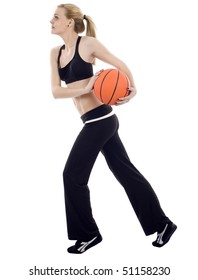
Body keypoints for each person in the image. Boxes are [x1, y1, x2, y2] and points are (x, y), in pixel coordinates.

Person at [50, 3, 177, 254]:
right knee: (126, 173)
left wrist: (133, 89)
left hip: (102, 120)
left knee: (72, 175)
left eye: (55, 17)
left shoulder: (88, 45)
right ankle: (163, 224)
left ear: (69, 22)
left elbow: (120, 65)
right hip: (91, 122)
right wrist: (85, 89)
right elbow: (56, 92)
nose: (50, 21)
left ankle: (88, 235)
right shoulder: (55, 52)